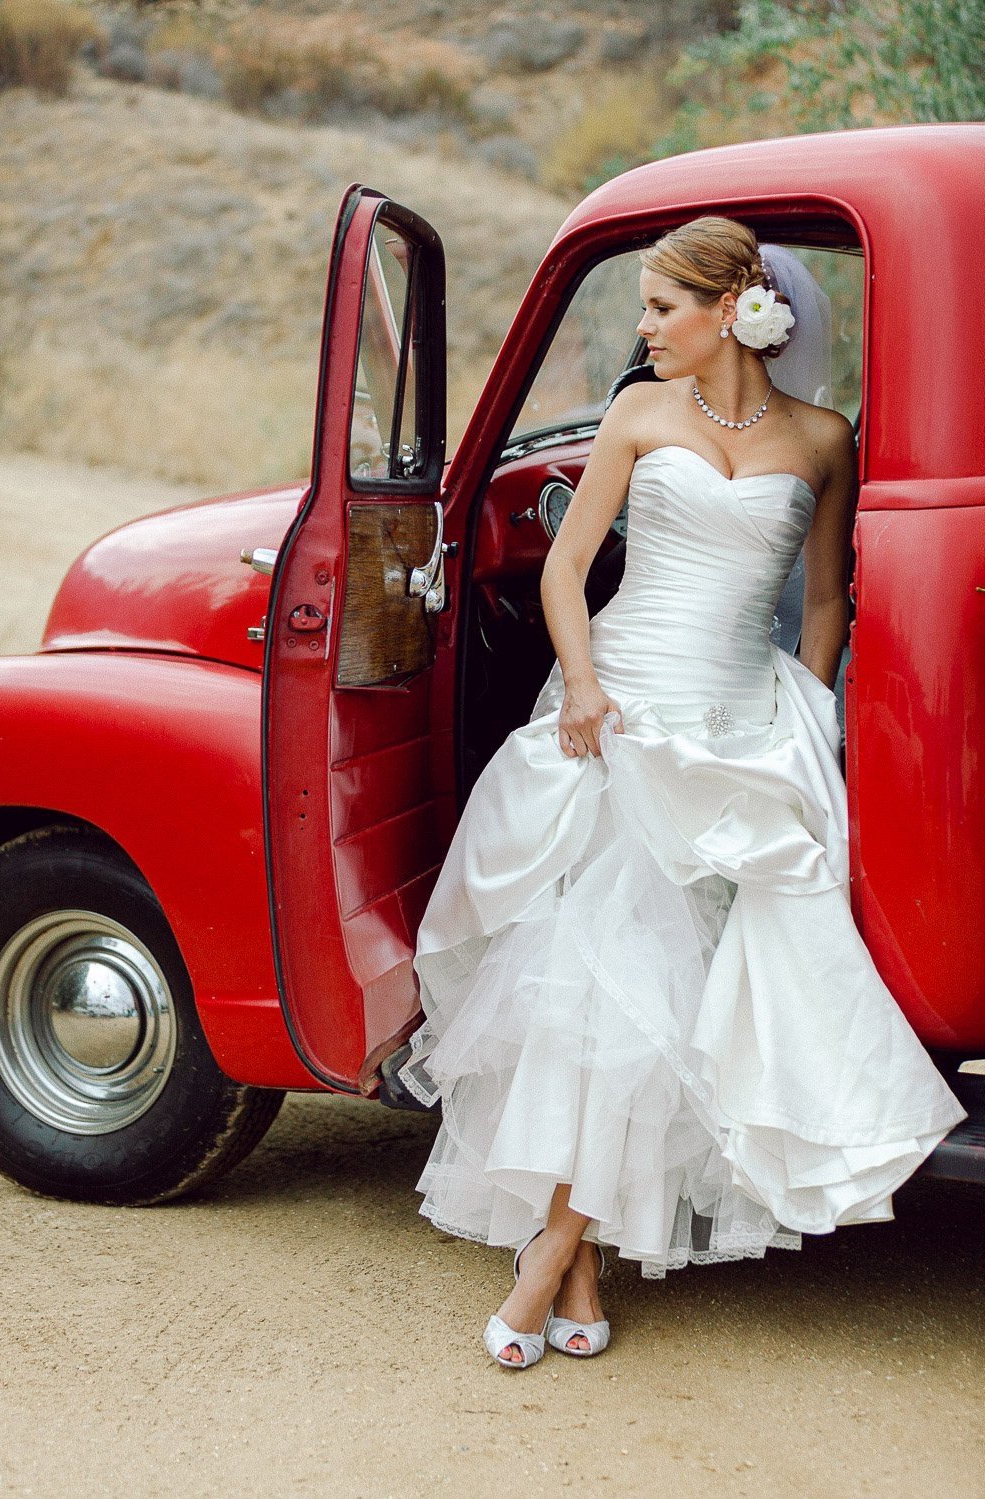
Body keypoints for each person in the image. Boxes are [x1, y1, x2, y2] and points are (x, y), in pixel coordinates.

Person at [398, 216, 967, 1370]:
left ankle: (555, 1257)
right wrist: (587, 689)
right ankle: (573, 1256)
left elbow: (822, 603)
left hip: (735, 735)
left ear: (733, 310)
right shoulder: (637, 414)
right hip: (618, 713)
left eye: (661, 308)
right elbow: (568, 563)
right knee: (595, 993)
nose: (643, 329)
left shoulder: (823, 436)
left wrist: (796, 711)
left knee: (663, 1009)